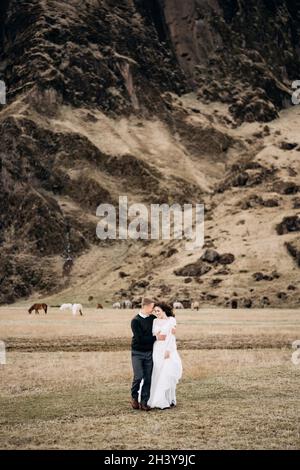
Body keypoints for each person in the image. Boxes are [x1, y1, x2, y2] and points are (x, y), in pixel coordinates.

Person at [130, 297, 166, 411]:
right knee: (138, 376)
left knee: (148, 378)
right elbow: (140, 339)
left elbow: (162, 321)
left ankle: (144, 402)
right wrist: (156, 337)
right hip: (137, 352)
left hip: (149, 353)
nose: (153, 309)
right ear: (145, 306)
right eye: (151, 307)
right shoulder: (135, 321)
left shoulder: (152, 319)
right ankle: (134, 397)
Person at [148, 303, 182, 409]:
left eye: (158, 311)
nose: (157, 313)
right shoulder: (154, 321)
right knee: (157, 372)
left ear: (164, 310)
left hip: (168, 349)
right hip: (157, 348)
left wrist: (168, 350)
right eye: (155, 311)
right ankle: (158, 399)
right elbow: (155, 335)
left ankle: (170, 398)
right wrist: (160, 334)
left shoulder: (171, 320)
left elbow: (171, 336)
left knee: (168, 373)